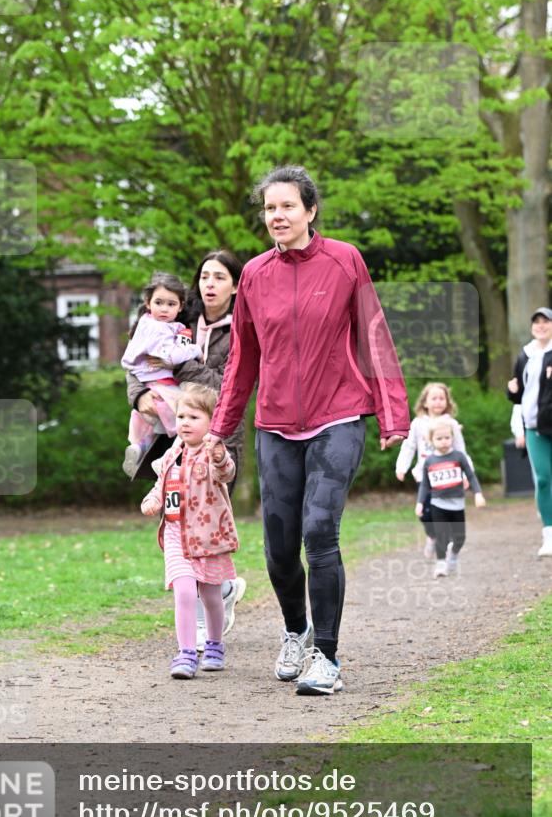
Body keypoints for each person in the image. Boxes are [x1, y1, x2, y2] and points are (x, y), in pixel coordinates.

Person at [206, 165, 410, 697]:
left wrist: (393, 415)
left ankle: (329, 655)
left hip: (337, 415)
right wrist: (220, 430)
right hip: (275, 423)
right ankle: (296, 631)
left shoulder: (345, 260)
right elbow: (243, 360)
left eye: (287, 206)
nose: (277, 216)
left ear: (310, 210)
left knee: (320, 533)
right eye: (270, 208)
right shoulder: (252, 274)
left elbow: (373, 334)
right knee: (277, 548)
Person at [127, 251, 247, 648]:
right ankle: (207, 604)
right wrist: (139, 395)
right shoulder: (175, 318)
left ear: (234, 285)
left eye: (220, 277)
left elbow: (223, 384)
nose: (210, 284)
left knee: (206, 523)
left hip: (219, 439)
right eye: (205, 276)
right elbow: (138, 362)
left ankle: (217, 592)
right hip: (170, 434)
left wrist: (178, 364)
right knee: (177, 520)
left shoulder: (242, 328)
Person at [140, 383, 239, 679]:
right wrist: (153, 498)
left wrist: (220, 456)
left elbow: (226, 472)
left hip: (208, 537)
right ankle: (185, 653)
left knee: (210, 596)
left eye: (194, 417)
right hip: (176, 535)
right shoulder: (172, 454)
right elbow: (163, 484)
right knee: (184, 592)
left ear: (211, 422)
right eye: (181, 416)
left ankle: (215, 645)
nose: (185, 422)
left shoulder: (213, 453)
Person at [121, 272, 202, 478]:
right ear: (148, 303)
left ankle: (139, 448)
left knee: (152, 429)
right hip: (165, 388)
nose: (164, 309)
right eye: (159, 302)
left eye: (170, 304)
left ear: (180, 306)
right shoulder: (160, 329)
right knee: (185, 422)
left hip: (148, 388)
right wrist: (196, 350)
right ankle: (165, 459)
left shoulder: (145, 324)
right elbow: (172, 356)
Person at [395, 382, 474, 559]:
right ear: (425, 402)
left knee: (442, 510)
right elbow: (409, 447)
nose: (438, 402)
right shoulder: (417, 424)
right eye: (434, 398)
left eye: (442, 398)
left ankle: (443, 541)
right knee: (424, 512)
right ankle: (432, 535)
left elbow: (460, 450)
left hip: (446, 476)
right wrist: (402, 467)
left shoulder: (451, 424)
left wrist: (466, 473)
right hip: (424, 474)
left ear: (447, 402)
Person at [507, 307, 552, 557]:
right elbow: (518, 393)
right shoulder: (525, 354)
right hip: (534, 427)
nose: (541, 326)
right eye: (537, 322)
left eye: (546, 321)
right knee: (543, 479)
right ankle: (549, 534)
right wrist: (511, 390)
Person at [416, 417, 486, 577]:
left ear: (453, 438)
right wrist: (420, 503)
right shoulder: (429, 461)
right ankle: (441, 564)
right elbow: (425, 485)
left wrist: (478, 494)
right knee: (441, 535)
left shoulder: (459, 456)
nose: (444, 441)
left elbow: (471, 476)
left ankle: (453, 554)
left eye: (447, 438)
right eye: (439, 438)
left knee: (460, 537)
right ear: (431, 440)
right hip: (437, 504)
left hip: (457, 504)